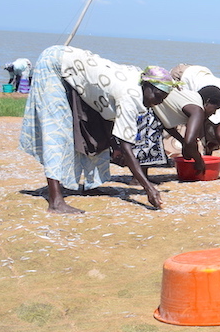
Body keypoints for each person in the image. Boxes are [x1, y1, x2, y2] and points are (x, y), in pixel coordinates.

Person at [19, 45, 176, 214]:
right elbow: (127, 147)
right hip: (54, 63)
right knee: (57, 130)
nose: (158, 102)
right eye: (158, 97)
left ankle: (91, 186)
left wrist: (113, 146)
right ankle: (55, 201)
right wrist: (148, 188)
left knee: (93, 128)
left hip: (74, 71)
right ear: (147, 86)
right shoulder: (129, 95)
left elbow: (108, 114)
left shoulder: (138, 79)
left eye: (163, 99)